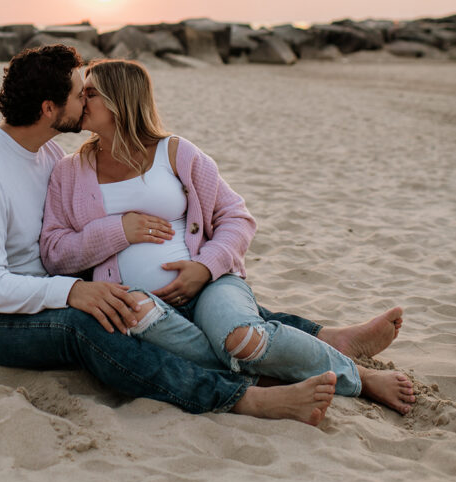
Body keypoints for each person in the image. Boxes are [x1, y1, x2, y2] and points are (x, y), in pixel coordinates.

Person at [0, 44, 351, 425]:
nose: (85, 97)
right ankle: (245, 398)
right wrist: (73, 291)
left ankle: (317, 340)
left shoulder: (46, 153)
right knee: (90, 325)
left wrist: (78, 284)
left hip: (42, 287)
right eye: (79, 93)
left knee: (203, 300)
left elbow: (232, 216)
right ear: (48, 109)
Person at [40, 58, 415, 415]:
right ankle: (307, 364)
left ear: (121, 99)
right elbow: (54, 252)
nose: (80, 100)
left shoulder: (176, 153)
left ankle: (361, 377)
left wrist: (205, 268)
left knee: (240, 338)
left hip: (211, 286)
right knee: (158, 321)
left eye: (90, 93)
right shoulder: (70, 172)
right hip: (142, 308)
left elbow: (236, 217)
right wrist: (116, 231)